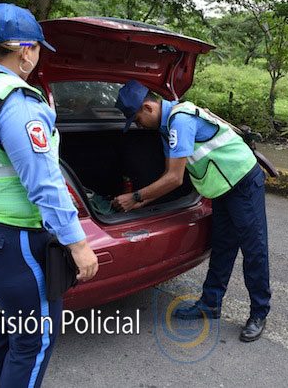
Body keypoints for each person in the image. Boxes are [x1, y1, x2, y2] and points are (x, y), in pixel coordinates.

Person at [0, 3, 98, 387]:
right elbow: (45, 184)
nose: (38, 58)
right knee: (32, 342)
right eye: (38, 49)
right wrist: (78, 245)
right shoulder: (17, 104)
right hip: (11, 245)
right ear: (25, 51)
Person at [112, 80, 271, 342]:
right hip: (220, 187)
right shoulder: (166, 128)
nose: (139, 125)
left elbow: (174, 179)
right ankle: (210, 304)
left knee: (254, 249)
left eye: (137, 119)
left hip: (242, 181)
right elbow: (169, 172)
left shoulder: (181, 121)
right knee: (222, 246)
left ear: (148, 107)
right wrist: (143, 201)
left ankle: (259, 313)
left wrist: (136, 197)